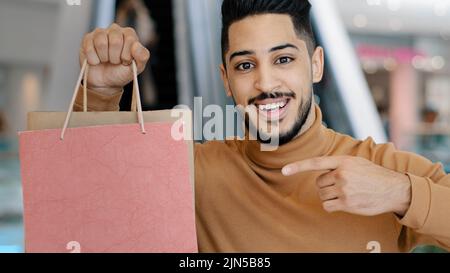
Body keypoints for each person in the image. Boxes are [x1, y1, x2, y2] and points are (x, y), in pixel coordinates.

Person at [75, 0, 450, 252]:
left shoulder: (383, 168)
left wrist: (403, 194)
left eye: (284, 59)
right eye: (244, 65)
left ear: (316, 65)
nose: (266, 83)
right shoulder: (192, 171)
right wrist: (99, 92)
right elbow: (86, 200)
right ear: (226, 79)